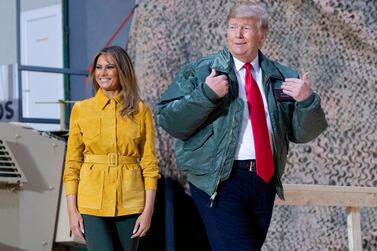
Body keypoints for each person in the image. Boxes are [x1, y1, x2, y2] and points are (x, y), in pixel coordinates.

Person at [156, 3, 327, 251]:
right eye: (233, 27)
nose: (238, 34)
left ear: (263, 34)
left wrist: (307, 102)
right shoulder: (202, 71)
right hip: (220, 179)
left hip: (263, 180)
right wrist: (205, 95)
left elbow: (301, 133)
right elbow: (169, 120)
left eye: (246, 28)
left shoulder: (282, 76)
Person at [63, 46, 159, 251]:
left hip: (131, 201)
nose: (102, 73)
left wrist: (148, 211)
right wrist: (72, 211)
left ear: (122, 71)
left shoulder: (141, 110)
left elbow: (149, 164)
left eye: (109, 67)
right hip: (91, 201)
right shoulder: (81, 110)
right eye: (98, 67)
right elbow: (72, 164)